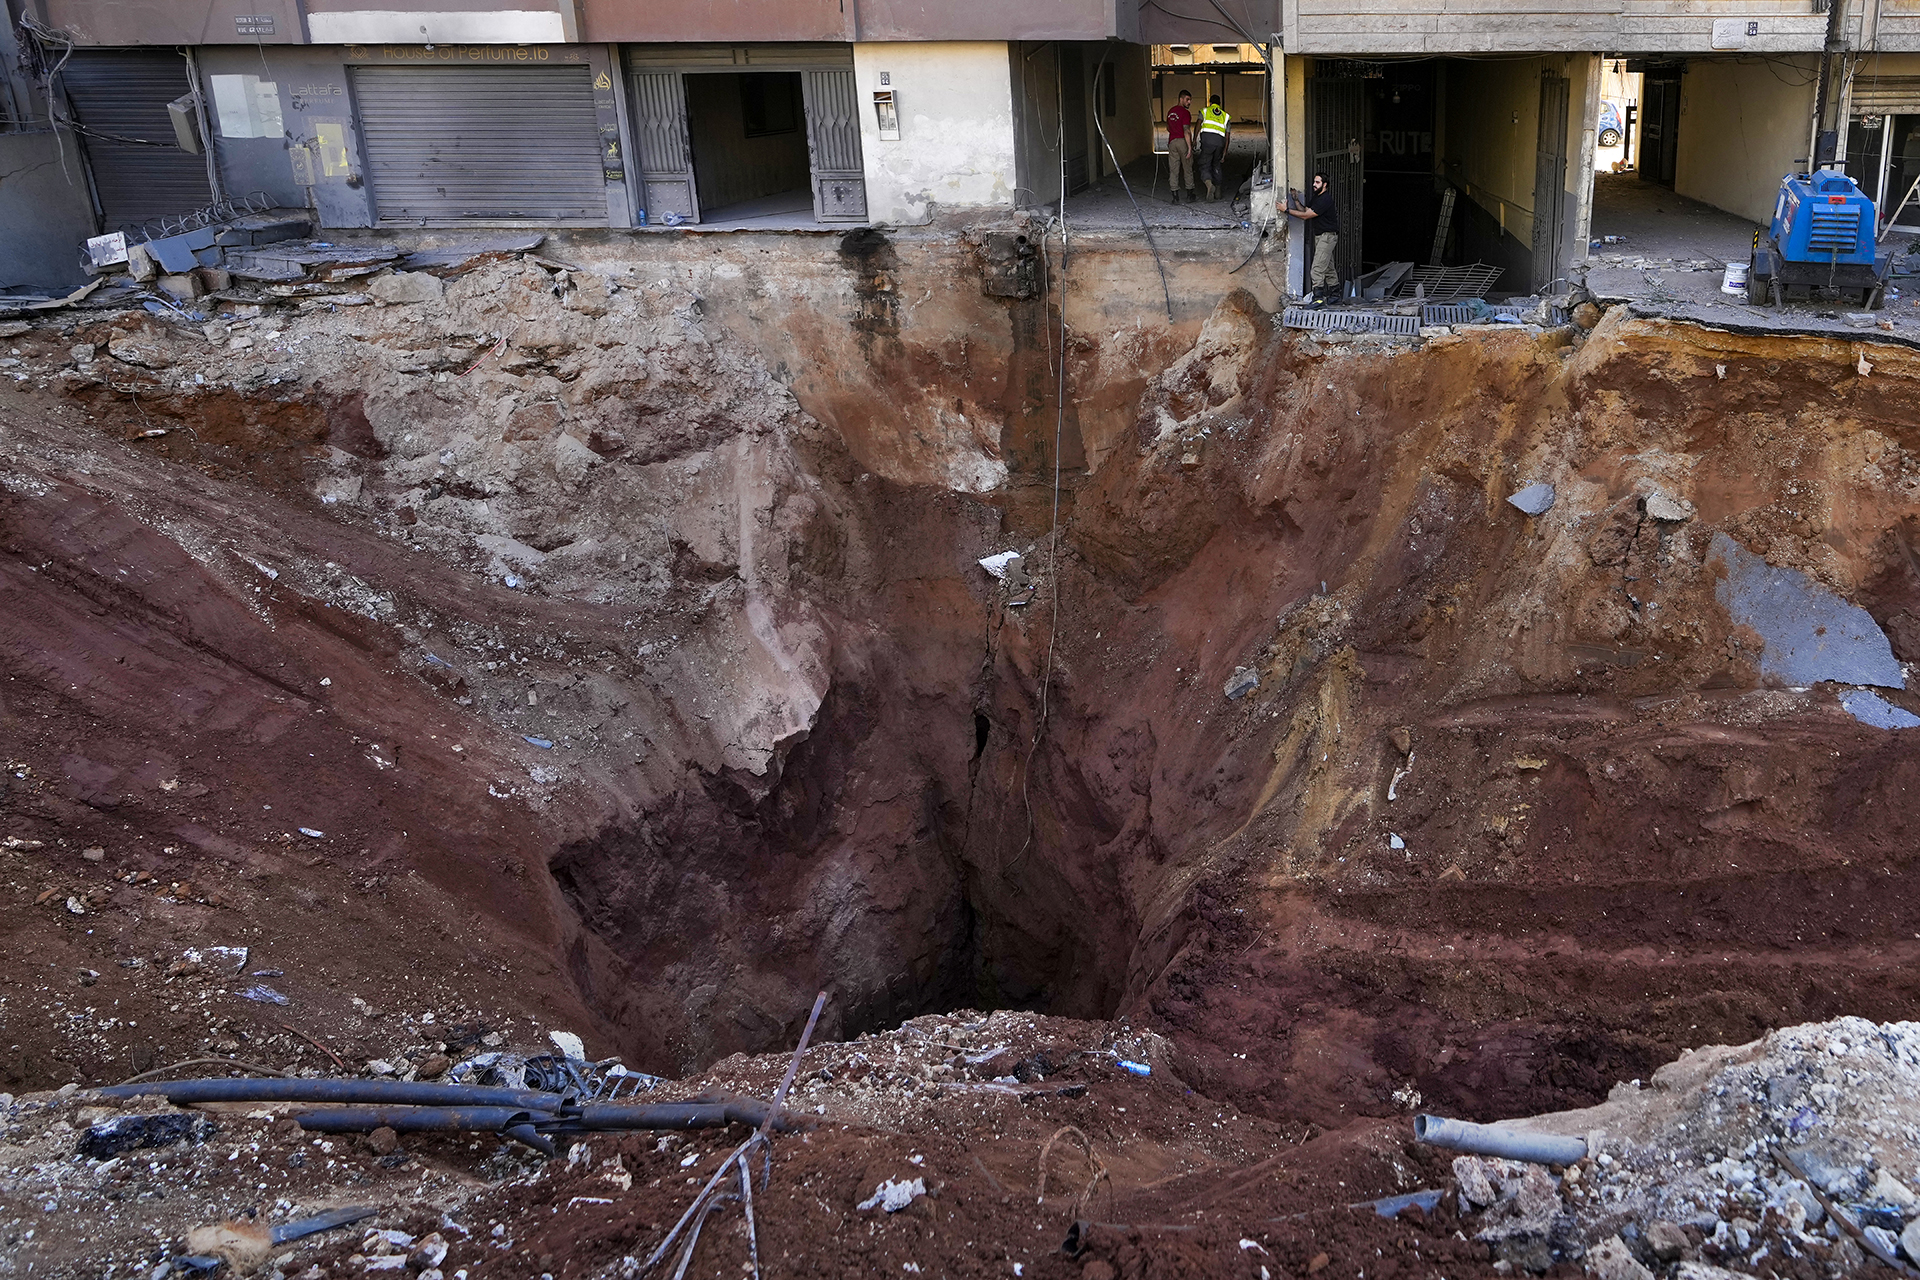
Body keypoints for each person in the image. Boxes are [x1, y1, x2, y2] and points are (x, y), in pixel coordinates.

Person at [1287, 171, 1341, 301]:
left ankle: (1318, 299)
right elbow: (1306, 211)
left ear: (1325, 184)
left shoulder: (1325, 199)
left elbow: (1306, 216)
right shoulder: (1317, 197)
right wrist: (1295, 200)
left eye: (1317, 182)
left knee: (1316, 270)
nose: (1314, 185)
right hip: (1322, 236)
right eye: (1314, 182)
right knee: (1328, 267)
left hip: (1327, 237)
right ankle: (1335, 295)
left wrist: (1286, 210)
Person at [1196, 95, 1230, 201]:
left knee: (1205, 164)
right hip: (1220, 143)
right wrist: (1224, 152)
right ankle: (1218, 192)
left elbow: (1198, 125)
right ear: (1220, 103)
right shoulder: (1226, 116)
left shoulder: (1205, 111)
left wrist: (1194, 139)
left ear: (1210, 103)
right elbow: (1227, 137)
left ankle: (1209, 184)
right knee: (1216, 165)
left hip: (1207, 142)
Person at [1165, 90, 1195, 205]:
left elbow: (1168, 127)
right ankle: (1190, 194)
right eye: (1187, 99)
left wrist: (1174, 132)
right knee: (1187, 168)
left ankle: (1175, 196)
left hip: (1172, 142)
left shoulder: (1170, 112)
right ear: (1181, 99)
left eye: (1190, 100)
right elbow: (1186, 131)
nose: (1189, 102)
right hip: (1182, 141)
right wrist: (1189, 147)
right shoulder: (1185, 113)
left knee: (1173, 169)